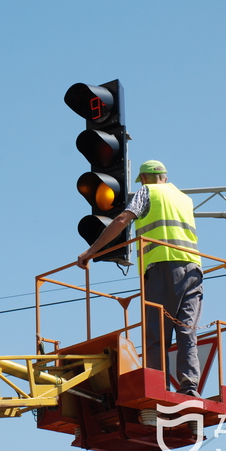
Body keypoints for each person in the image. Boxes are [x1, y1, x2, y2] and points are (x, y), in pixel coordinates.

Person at [76, 160, 203, 397]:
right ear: (165, 176)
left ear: (144, 178)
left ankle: (158, 387)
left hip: (162, 268)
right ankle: (190, 388)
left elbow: (123, 220)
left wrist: (91, 252)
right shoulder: (185, 199)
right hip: (193, 269)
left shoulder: (147, 192)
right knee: (187, 332)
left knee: (156, 333)